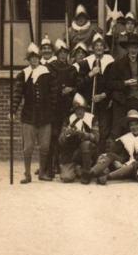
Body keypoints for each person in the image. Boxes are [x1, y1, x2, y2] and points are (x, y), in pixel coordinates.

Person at [12, 42, 57, 184]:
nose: (34, 60)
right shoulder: (23, 74)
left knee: (44, 146)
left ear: (39, 58)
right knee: (28, 147)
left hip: (45, 116)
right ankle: (27, 174)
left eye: (36, 57)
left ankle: (42, 172)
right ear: (28, 59)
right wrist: (13, 110)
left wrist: (52, 110)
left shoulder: (47, 73)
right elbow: (17, 94)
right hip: (29, 116)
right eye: (31, 58)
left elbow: (54, 93)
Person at [88, 110, 138, 185]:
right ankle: (90, 173)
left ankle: (106, 177)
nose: (134, 127)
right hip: (124, 164)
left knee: (135, 164)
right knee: (110, 155)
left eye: (136, 124)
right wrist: (104, 156)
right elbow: (113, 151)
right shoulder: (125, 138)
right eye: (131, 125)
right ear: (129, 127)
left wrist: (124, 165)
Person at [45, 38, 77, 179]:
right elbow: (48, 86)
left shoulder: (71, 69)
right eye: (61, 53)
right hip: (53, 107)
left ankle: (62, 164)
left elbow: (77, 85)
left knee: (64, 136)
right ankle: (50, 166)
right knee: (53, 136)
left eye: (65, 53)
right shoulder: (51, 67)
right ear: (57, 54)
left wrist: (71, 89)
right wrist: (59, 90)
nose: (63, 55)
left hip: (67, 107)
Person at [77, 33, 115, 153]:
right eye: (96, 45)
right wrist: (91, 74)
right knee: (89, 130)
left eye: (101, 45)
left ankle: (100, 157)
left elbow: (113, 83)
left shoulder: (111, 62)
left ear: (104, 47)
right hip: (89, 103)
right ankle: (88, 157)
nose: (99, 48)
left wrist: (104, 95)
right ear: (92, 48)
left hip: (104, 103)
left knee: (103, 131)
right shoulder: (85, 63)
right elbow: (79, 84)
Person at [107, 33, 138, 139]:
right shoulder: (118, 63)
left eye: (136, 47)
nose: (133, 50)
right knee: (120, 128)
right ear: (127, 48)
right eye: (131, 47)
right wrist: (125, 83)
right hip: (123, 99)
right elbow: (110, 83)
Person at [58, 93, 100, 184]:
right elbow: (60, 141)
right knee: (66, 178)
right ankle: (77, 168)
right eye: (77, 109)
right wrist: (66, 134)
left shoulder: (92, 118)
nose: (79, 112)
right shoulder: (69, 119)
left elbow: (96, 138)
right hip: (72, 152)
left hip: (89, 151)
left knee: (86, 144)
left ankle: (86, 174)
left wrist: (82, 134)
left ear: (85, 109)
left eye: (81, 109)